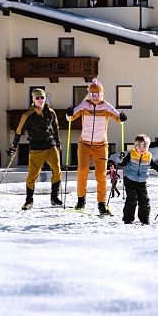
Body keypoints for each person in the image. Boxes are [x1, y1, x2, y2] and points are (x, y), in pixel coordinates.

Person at [66, 78, 126, 214]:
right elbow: (70, 118)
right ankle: (81, 200)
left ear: (101, 94)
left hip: (101, 145)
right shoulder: (84, 105)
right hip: (84, 144)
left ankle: (102, 204)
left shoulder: (106, 106)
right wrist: (68, 113)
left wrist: (122, 117)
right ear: (89, 95)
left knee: (101, 175)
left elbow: (118, 118)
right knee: (82, 171)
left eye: (97, 94)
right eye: (93, 94)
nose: (95, 97)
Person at [8, 88, 63, 210]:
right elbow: (19, 131)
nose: (40, 100)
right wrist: (14, 146)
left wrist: (58, 142)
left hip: (50, 146)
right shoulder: (28, 115)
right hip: (36, 149)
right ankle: (29, 201)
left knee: (57, 171)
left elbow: (56, 128)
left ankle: (54, 197)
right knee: (32, 176)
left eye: (42, 97)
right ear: (33, 99)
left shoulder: (51, 112)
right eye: (37, 98)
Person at [119, 134, 158, 224]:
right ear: (135, 147)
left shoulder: (148, 157)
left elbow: (155, 166)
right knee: (131, 199)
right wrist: (120, 159)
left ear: (148, 147)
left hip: (142, 182)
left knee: (144, 200)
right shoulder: (131, 154)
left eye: (144, 146)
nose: (141, 148)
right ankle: (128, 219)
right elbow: (123, 163)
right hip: (130, 180)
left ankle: (144, 219)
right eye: (139, 146)